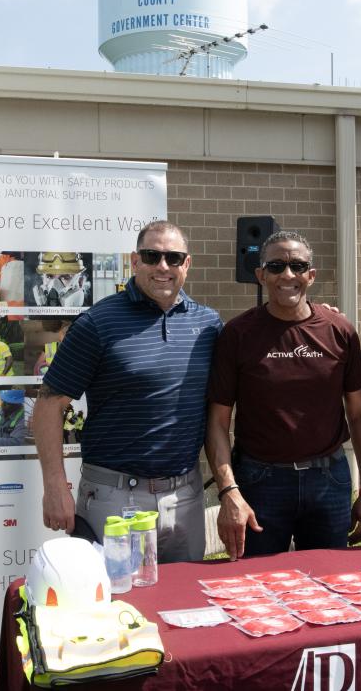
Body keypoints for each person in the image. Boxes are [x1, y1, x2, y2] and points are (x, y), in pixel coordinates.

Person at [33, 221, 222, 563]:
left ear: (187, 264)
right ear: (135, 262)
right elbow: (49, 405)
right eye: (152, 256)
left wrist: (311, 315)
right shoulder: (97, 324)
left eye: (173, 258)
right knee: (117, 607)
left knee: (183, 603)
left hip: (186, 498)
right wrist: (55, 486)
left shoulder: (208, 325)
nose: (163, 266)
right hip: (114, 498)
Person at [205, 231, 361, 559]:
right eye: (276, 266)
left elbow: (359, 414)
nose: (288, 275)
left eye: (298, 266)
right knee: (256, 586)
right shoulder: (237, 334)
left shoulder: (339, 330)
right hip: (260, 481)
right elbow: (217, 421)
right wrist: (229, 490)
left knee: (331, 585)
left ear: (311, 276)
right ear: (261, 275)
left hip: (328, 479)